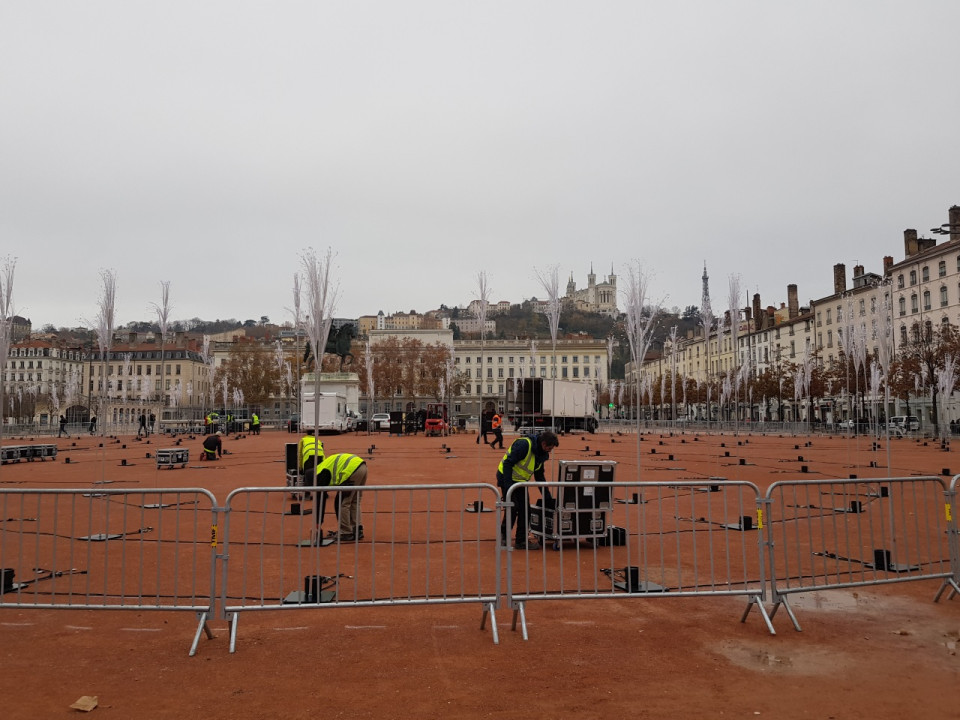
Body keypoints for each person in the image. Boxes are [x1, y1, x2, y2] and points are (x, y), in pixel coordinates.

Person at [496, 430, 559, 550]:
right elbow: (508, 464)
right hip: (506, 478)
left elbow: (539, 476)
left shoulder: (542, 455)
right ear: (544, 444)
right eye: (550, 448)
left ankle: (521, 541)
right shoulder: (524, 445)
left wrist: (547, 497)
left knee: (525, 509)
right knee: (512, 507)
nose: (550, 450)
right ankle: (503, 535)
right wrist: (509, 488)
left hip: (521, 482)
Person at [315, 453, 368, 540]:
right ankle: (357, 529)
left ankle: (346, 532)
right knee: (355, 501)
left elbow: (320, 499)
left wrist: (318, 521)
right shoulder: (323, 466)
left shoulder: (320, 474)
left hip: (351, 471)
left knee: (343, 502)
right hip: (362, 466)